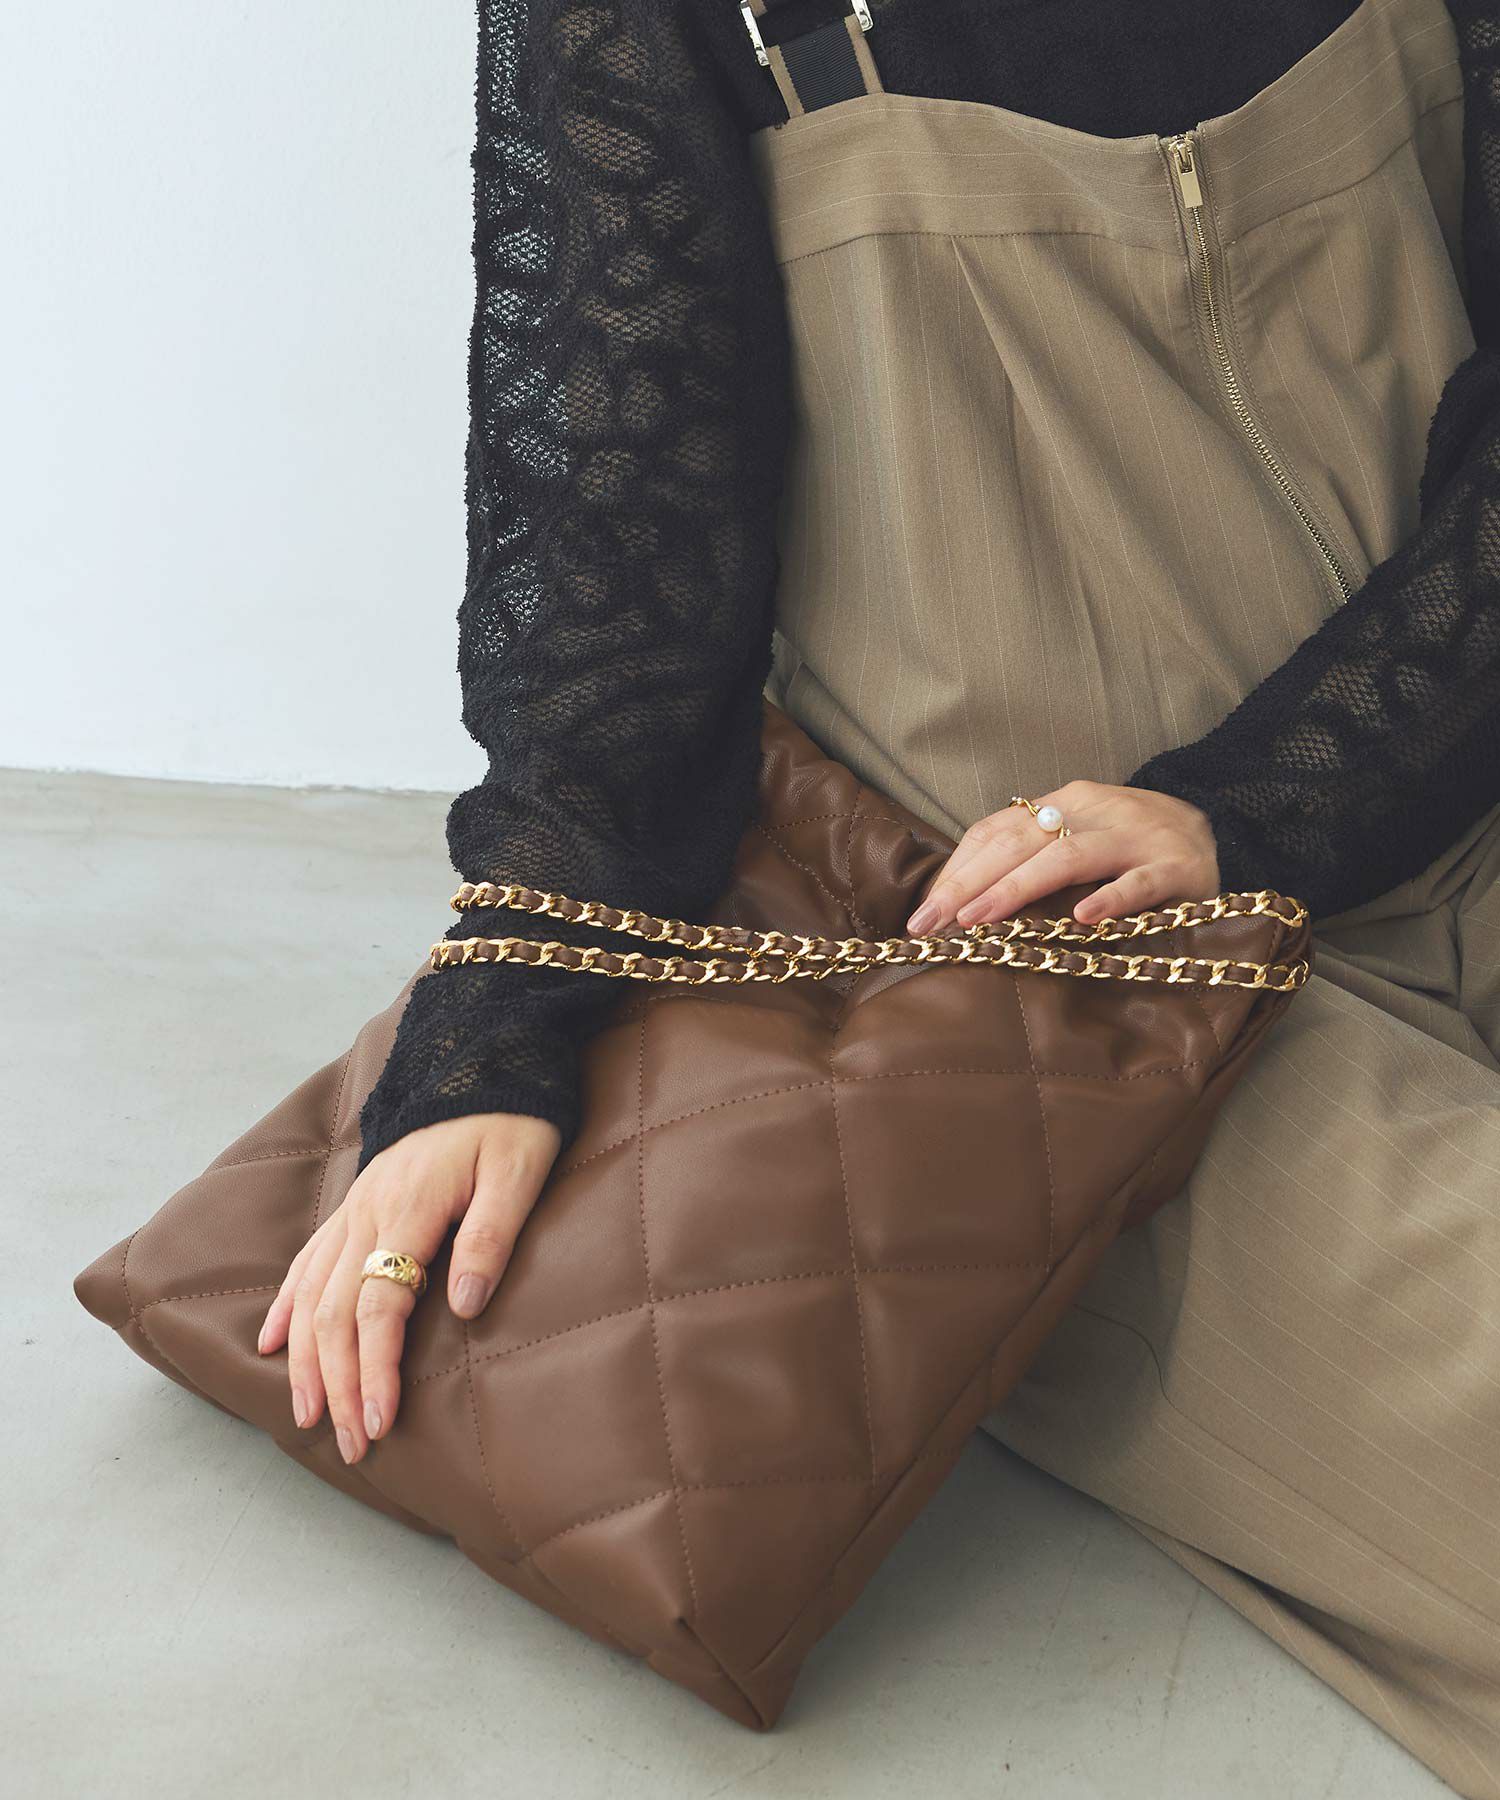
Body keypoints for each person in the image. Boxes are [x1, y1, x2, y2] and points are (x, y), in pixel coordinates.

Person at [256, 1, 1500, 1790]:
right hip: (1062, 998)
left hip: (1438, 744)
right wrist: (496, 1030)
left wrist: (1273, 802)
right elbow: (621, 524)